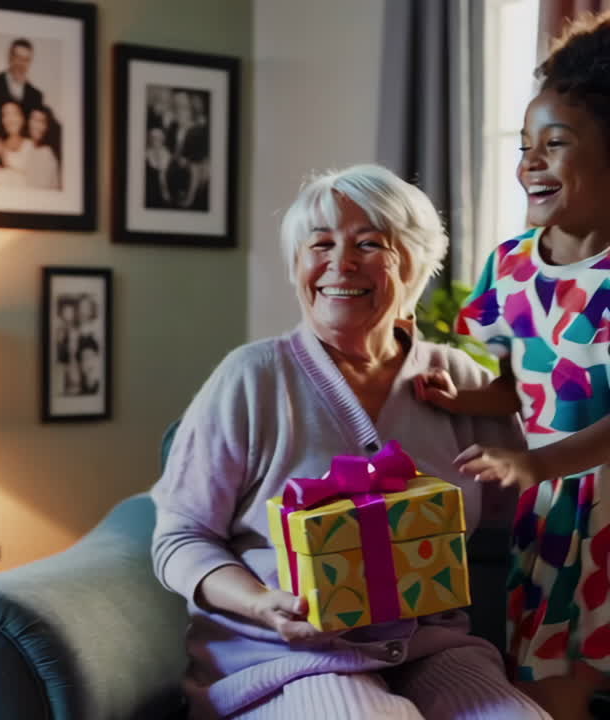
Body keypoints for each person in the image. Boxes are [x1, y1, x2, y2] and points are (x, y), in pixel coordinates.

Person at [152, 164, 548, 719]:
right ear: (297, 266)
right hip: (286, 656)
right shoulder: (252, 378)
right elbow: (180, 538)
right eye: (320, 244)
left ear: (415, 264)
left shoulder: (463, 383)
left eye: (369, 243)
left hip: (434, 651)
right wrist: (263, 604)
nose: (341, 262)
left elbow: (530, 513)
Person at [414, 12, 610, 719]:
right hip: (555, 523)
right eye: (525, 145)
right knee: (549, 692)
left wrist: (539, 465)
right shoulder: (511, 267)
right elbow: (518, 387)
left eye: (554, 144)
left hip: (589, 499)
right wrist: (463, 391)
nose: (529, 161)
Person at [0, 38, 44, 142]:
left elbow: (36, 133)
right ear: (10, 57)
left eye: (26, 60)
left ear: (30, 62)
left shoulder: (36, 95)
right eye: (18, 57)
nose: (21, 64)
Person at [0, 100, 33, 186]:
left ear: (23, 118)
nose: (10, 119)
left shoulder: (30, 145)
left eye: (14, 113)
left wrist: (2, 151)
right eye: (6, 114)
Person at [24, 105, 60, 190]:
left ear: (46, 127)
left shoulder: (47, 154)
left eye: (41, 121)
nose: (36, 125)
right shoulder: (27, 146)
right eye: (34, 119)